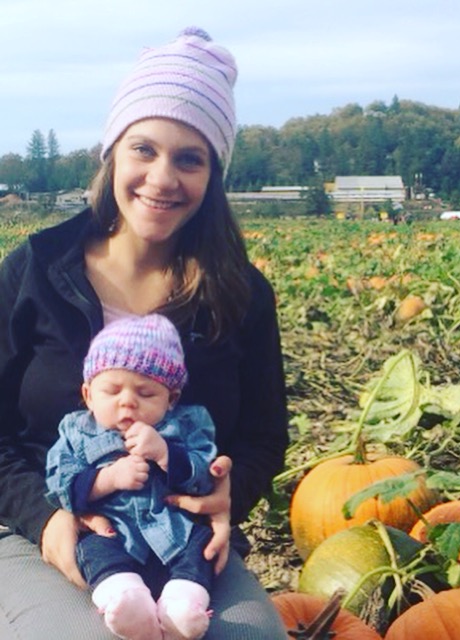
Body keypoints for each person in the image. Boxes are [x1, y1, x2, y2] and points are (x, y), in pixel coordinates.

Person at [0, 26, 290, 640]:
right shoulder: (34, 272)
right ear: (113, 153)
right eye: (144, 149)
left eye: (189, 158)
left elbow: (265, 437)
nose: (162, 177)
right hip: (34, 523)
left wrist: (225, 495)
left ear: (213, 173)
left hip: (177, 533)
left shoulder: (239, 293)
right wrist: (46, 519)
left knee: (250, 636)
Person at [46, 313, 219, 640]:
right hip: (114, 529)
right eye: (112, 391)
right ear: (88, 394)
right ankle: (124, 599)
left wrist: (167, 454)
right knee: (94, 548)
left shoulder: (186, 425)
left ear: (171, 399)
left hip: (175, 528)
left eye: (146, 393)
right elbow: (59, 484)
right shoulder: (76, 431)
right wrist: (107, 479)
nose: (127, 401)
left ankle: (183, 603)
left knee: (202, 544)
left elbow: (206, 477)